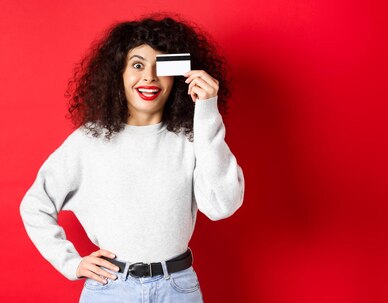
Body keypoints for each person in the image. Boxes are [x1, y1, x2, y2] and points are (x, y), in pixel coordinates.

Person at [18, 14, 245, 302]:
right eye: (137, 65)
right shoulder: (88, 141)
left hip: (177, 288)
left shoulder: (192, 138)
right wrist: (71, 263)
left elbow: (222, 206)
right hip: (110, 288)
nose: (149, 76)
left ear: (178, 74)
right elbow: (35, 204)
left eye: (161, 66)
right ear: (119, 74)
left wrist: (207, 111)